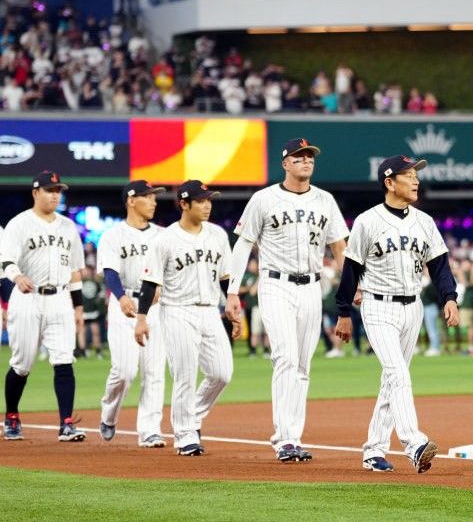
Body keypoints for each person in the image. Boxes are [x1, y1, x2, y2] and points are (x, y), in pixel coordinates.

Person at [226, 138, 349, 462]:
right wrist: (233, 291)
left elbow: (339, 247)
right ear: (285, 164)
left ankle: (293, 436)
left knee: (303, 365)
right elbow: (243, 246)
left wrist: (350, 289)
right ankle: (285, 439)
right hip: (275, 284)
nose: (306, 161)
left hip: (311, 287)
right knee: (285, 357)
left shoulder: (325, 200)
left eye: (309, 156)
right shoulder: (264, 199)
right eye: (298, 156)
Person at [334, 155, 459, 474]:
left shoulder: (424, 222)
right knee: (398, 373)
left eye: (416, 174)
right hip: (378, 305)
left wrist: (449, 297)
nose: (416, 180)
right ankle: (414, 442)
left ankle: (374, 449)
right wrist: (344, 311)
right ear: (389, 182)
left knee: (392, 379)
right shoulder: (368, 221)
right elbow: (351, 270)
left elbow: (440, 265)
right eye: (408, 175)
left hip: (412, 306)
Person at [134, 180, 238, 456]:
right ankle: (184, 435)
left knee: (222, 373)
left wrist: (232, 306)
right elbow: (149, 283)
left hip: (210, 311)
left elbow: (226, 277)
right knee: (184, 374)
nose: (207, 205)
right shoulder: (165, 239)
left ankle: (192, 417)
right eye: (201, 201)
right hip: (177, 310)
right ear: (184, 204)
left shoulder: (217, 234)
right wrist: (141, 318)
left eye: (209, 200)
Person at [2, 171, 88, 442]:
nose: (55, 195)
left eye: (58, 190)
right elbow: (5, 261)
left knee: (64, 359)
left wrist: (78, 308)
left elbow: (75, 272)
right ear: (35, 193)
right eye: (49, 190)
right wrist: (17, 276)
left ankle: (66, 423)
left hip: (60, 298)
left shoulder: (68, 227)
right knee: (22, 363)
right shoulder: (19, 224)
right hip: (27, 297)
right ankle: (12, 416)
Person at [97, 180, 169, 448]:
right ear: (131, 200)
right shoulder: (113, 235)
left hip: (155, 306)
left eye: (154, 197)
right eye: (148, 197)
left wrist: (163, 286)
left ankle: (149, 429)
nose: (153, 201)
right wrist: (121, 296)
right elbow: (109, 271)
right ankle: (109, 412)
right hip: (123, 303)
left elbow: (169, 270)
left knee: (154, 370)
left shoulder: (162, 234)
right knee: (124, 371)